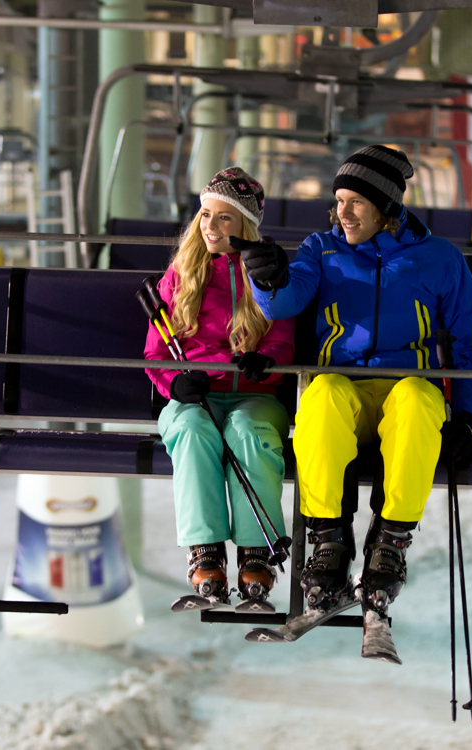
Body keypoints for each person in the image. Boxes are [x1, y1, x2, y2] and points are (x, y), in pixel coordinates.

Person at [231, 145, 472, 619]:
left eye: (355, 202)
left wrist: (469, 416)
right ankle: (328, 536)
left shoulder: (438, 259)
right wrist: (268, 280)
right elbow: (285, 303)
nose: (342, 213)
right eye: (339, 201)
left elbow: (470, 340)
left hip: (401, 396)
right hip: (345, 394)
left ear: (387, 207)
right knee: (323, 390)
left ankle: (391, 539)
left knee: (418, 395)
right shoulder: (322, 249)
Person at [144, 167, 295, 606]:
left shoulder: (266, 276)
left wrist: (264, 365)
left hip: (255, 394)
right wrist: (176, 380)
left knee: (248, 434)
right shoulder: (181, 276)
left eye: (224, 218)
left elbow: (283, 341)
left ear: (245, 226)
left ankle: (255, 554)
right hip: (194, 394)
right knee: (192, 432)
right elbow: (156, 351)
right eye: (206, 215)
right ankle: (204, 551)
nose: (210, 226)